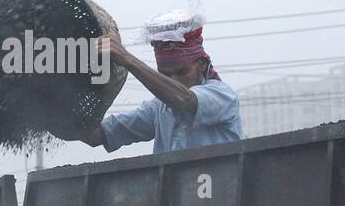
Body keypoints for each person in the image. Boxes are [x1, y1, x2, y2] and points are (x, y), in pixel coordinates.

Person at [66, 25, 242, 153]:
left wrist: (127, 59)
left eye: (181, 72)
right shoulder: (159, 109)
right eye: (165, 75)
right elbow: (97, 136)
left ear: (202, 65)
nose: (174, 80)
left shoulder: (223, 96)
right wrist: (51, 107)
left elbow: (185, 99)